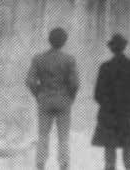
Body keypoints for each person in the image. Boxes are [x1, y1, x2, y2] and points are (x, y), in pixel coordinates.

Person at [26, 27, 79, 170]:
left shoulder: (38, 58)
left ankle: (40, 164)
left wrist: (38, 94)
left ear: (49, 40)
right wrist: (71, 97)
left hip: (44, 99)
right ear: (64, 42)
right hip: (63, 100)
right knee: (63, 137)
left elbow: (30, 81)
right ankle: (64, 164)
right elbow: (75, 83)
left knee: (43, 135)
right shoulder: (69, 59)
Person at [92, 34, 130, 170]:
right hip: (128, 112)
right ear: (124, 47)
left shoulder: (105, 67)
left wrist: (107, 105)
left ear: (111, 49)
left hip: (109, 113)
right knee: (128, 145)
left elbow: (98, 94)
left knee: (110, 147)